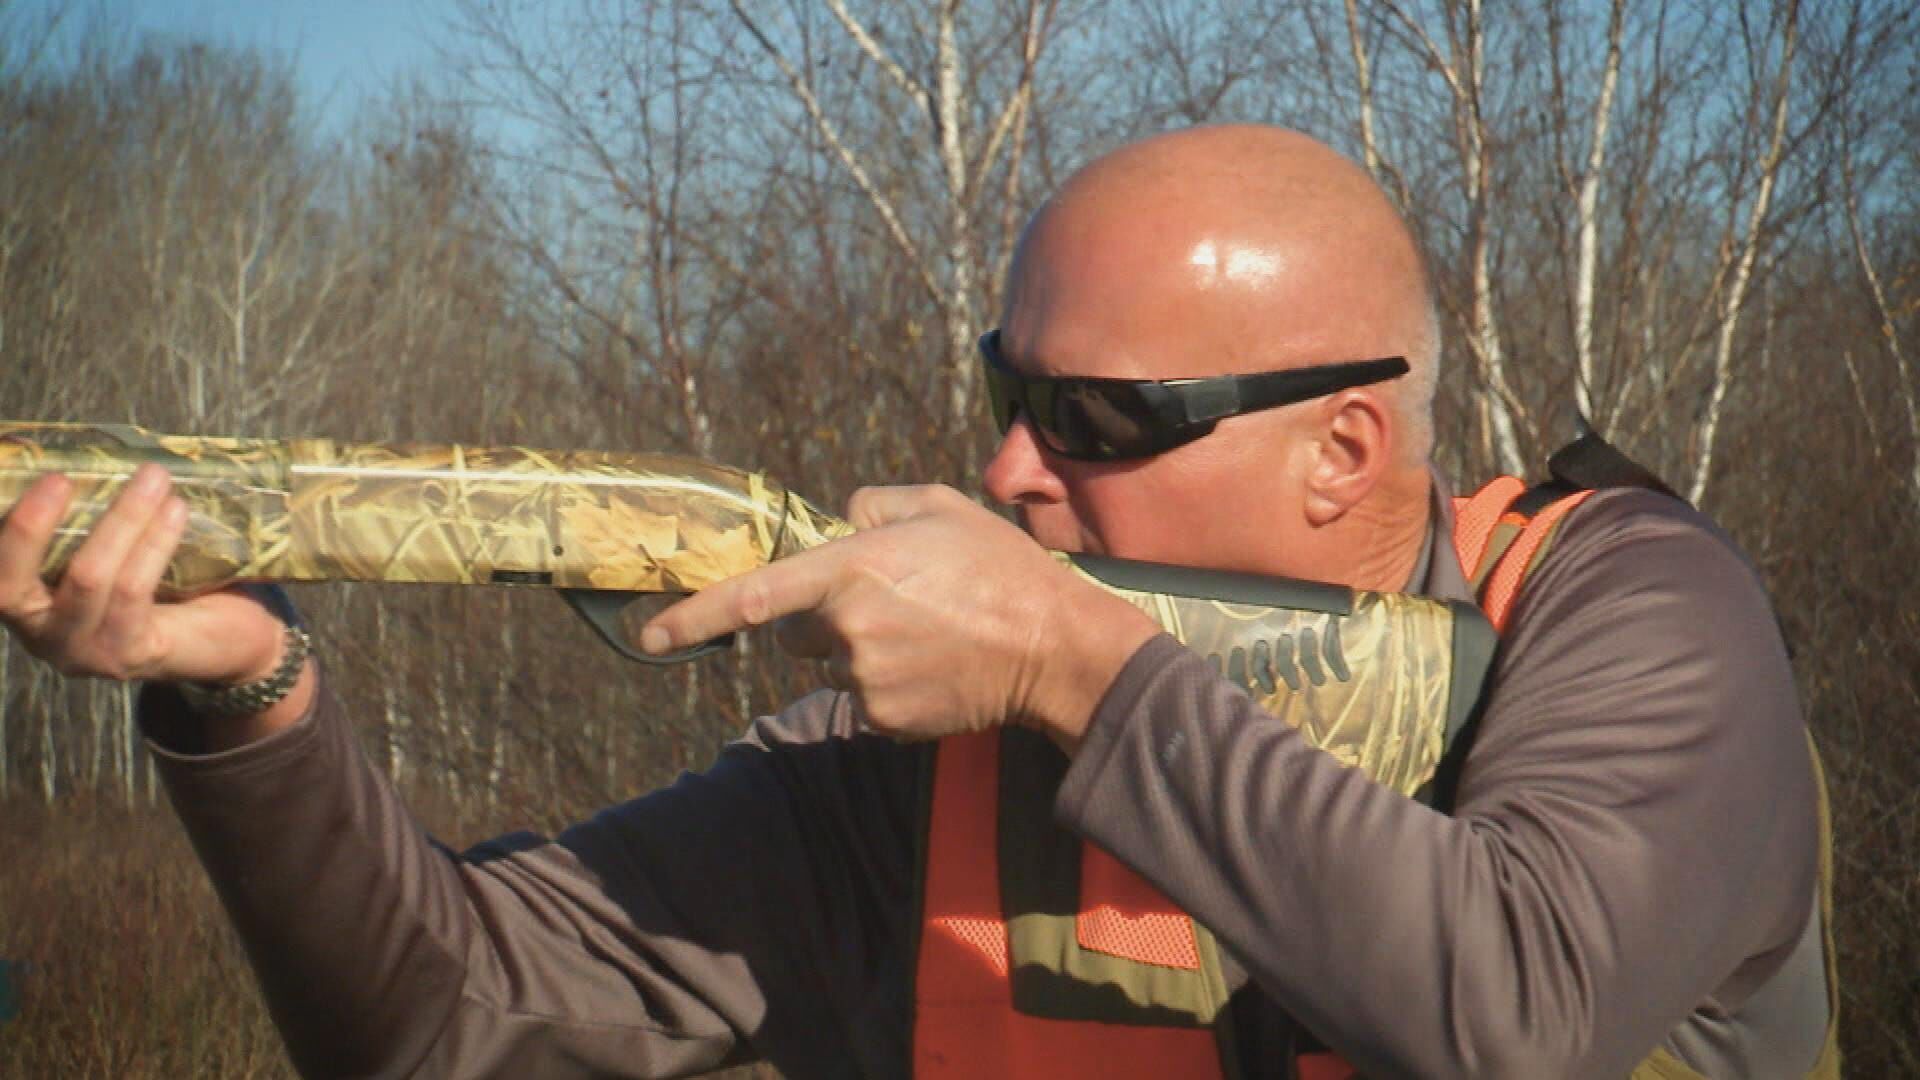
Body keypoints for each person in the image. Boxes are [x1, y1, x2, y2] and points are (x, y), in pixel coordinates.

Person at [0, 125, 1830, 1077]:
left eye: (1097, 418)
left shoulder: (1632, 613)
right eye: (1006, 391)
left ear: (1344, 450)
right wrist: (244, 697)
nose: (1015, 467)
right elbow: (437, 1029)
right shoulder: (933, 766)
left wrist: (1070, 662)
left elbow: (1519, 1010)